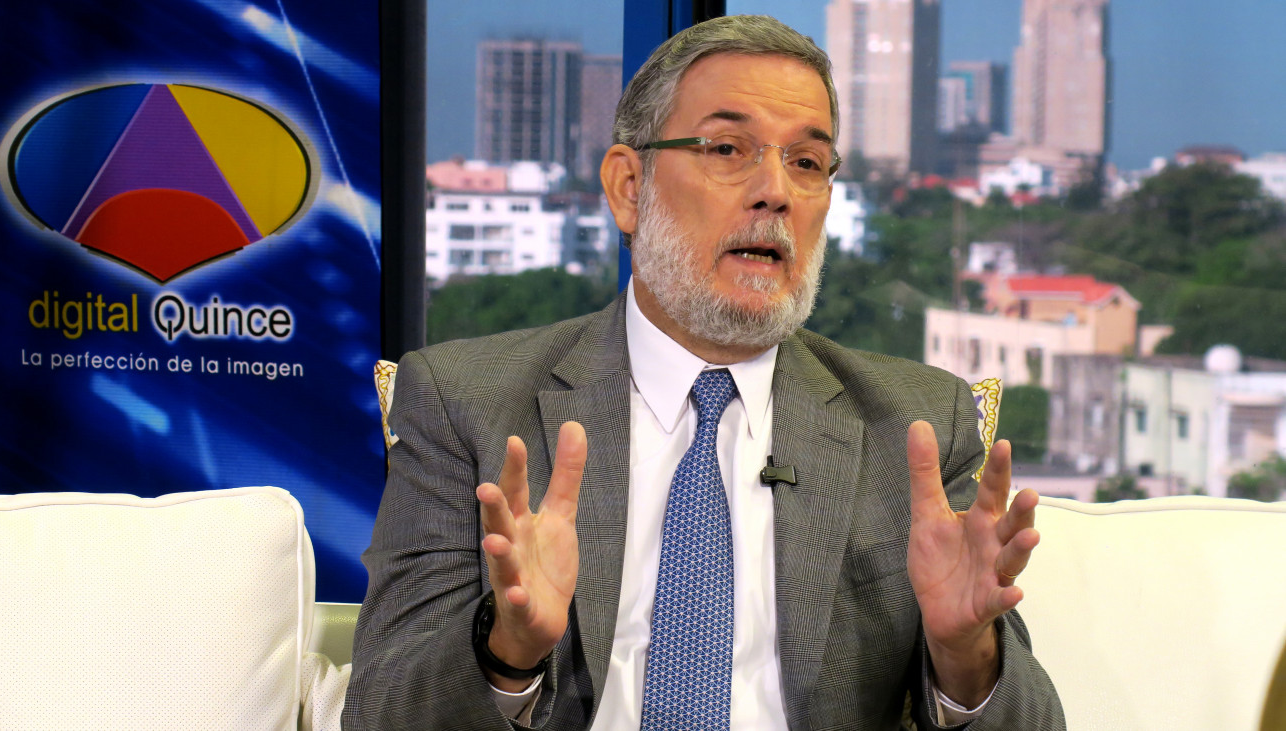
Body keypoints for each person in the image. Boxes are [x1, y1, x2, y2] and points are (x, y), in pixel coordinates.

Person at [344, 15, 1064, 730]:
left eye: (807, 162)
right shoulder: (466, 401)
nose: (775, 191)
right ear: (629, 187)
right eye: (727, 149)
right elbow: (378, 712)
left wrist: (966, 654)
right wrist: (508, 650)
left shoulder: (915, 427)